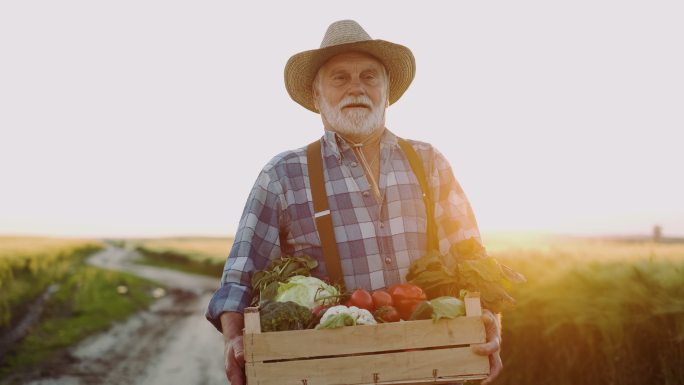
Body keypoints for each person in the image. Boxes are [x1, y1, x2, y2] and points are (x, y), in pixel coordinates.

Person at [206, 20, 503, 385]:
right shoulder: (283, 175)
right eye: (340, 78)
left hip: (433, 368)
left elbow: (472, 263)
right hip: (328, 373)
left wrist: (489, 324)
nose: (356, 87)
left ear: (387, 90)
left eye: (369, 76)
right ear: (317, 97)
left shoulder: (430, 163)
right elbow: (240, 277)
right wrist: (234, 338)